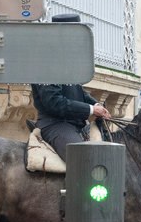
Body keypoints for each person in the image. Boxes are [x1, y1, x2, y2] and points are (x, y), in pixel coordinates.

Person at [32, 14, 111, 161]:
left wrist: (96, 104)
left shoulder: (66, 60)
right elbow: (54, 102)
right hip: (56, 125)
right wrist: (91, 110)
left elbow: (77, 91)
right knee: (82, 160)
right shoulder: (46, 62)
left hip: (75, 124)